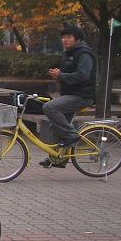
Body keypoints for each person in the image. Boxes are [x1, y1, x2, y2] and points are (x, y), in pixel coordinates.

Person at [40, 24, 98, 168]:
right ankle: (57, 158)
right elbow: (68, 74)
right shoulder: (69, 53)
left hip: (82, 95)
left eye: (69, 37)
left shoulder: (84, 53)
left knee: (49, 107)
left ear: (77, 38)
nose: (65, 40)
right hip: (70, 94)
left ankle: (72, 136)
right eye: (63, 37)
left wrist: (61, 75)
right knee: (56, 127)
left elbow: (83, 75)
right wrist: (59, 75)